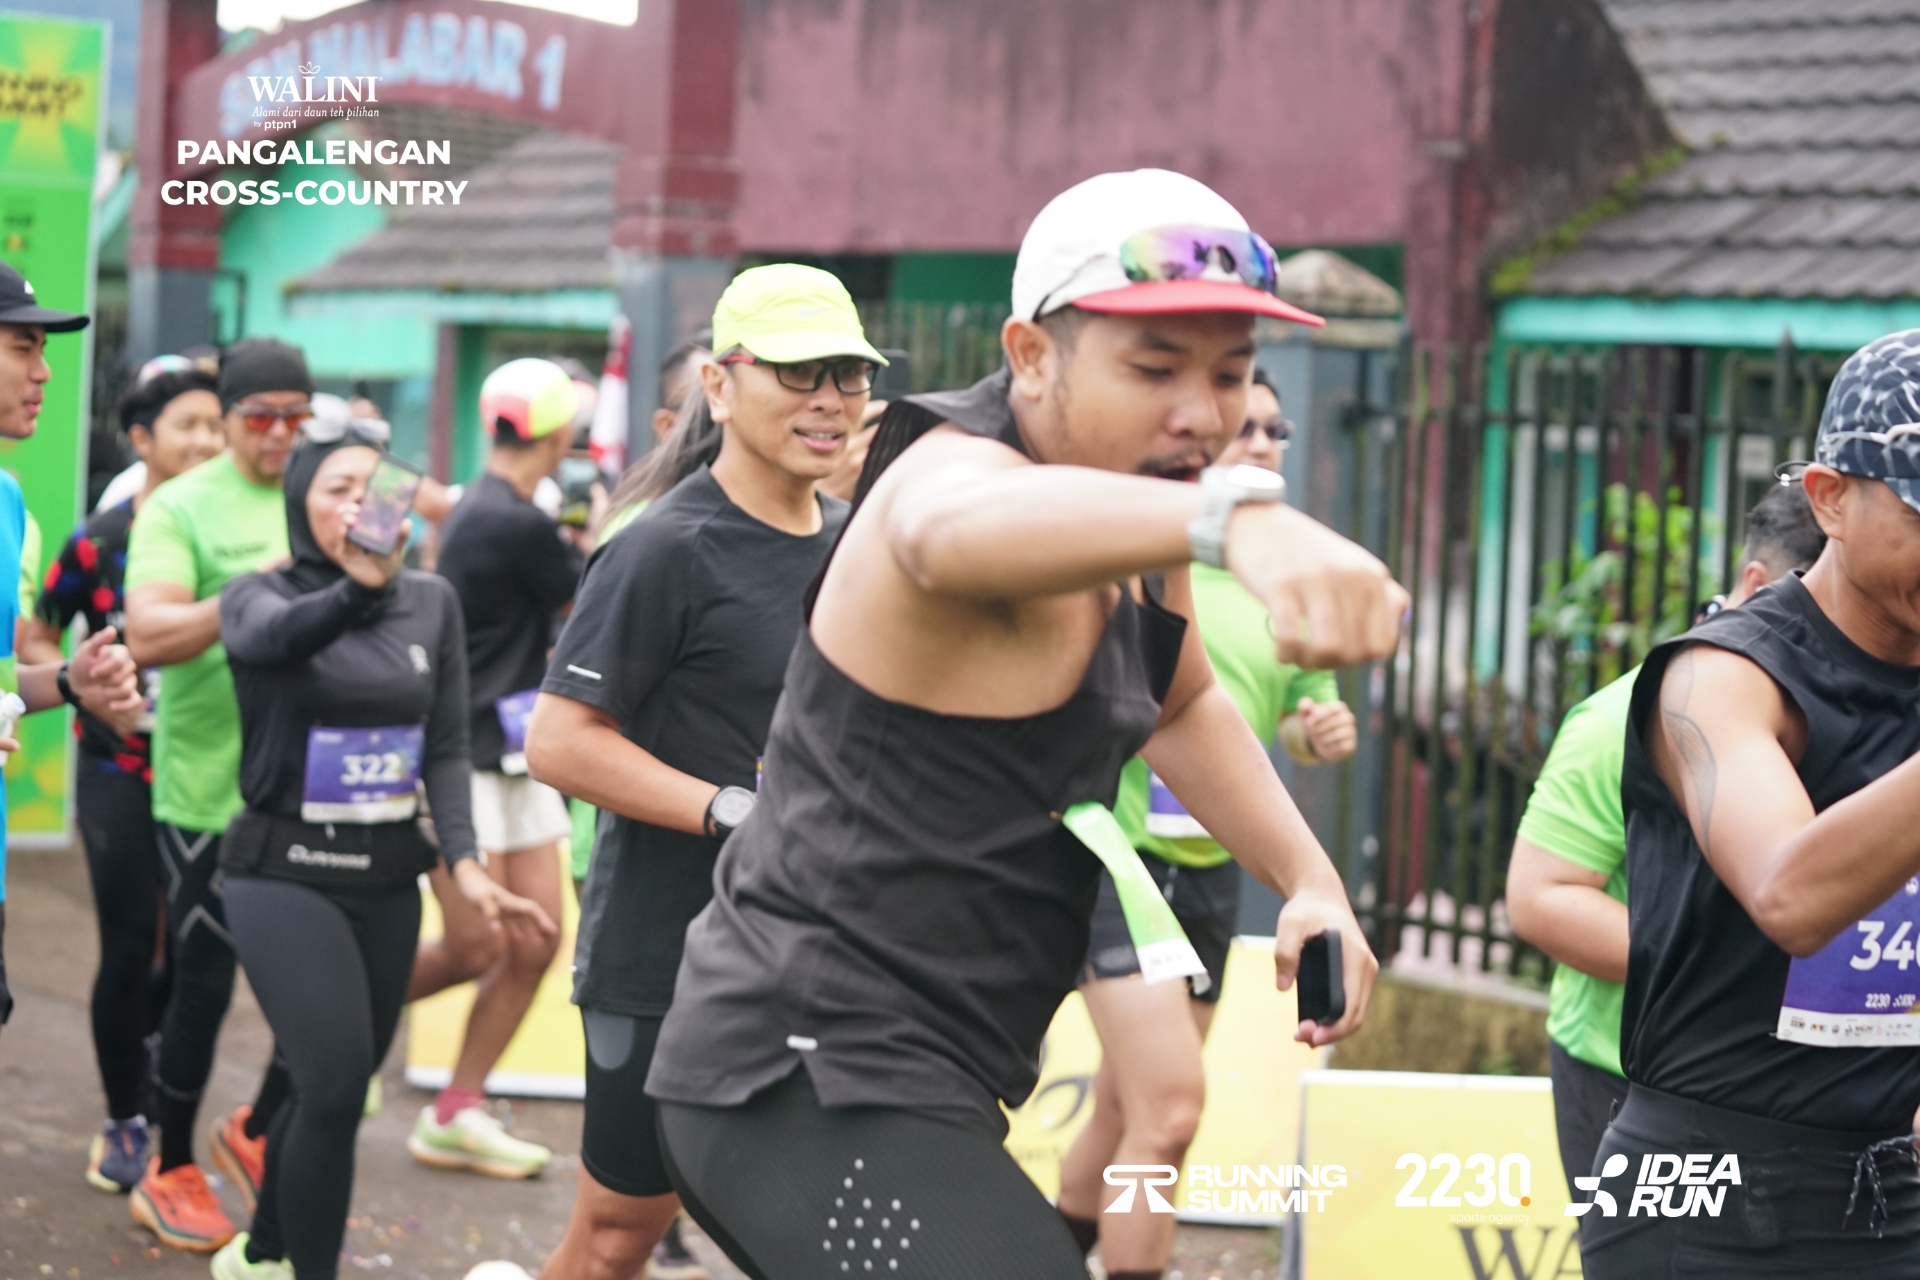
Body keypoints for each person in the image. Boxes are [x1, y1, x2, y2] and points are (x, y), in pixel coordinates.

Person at [638, 170, 1403, 1279]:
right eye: (1154, 368)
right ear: (1032, 355)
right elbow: (946, 528)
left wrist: (1310, 878)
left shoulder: (1140, 510)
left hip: (935, 1072)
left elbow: (1180, 698)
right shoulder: (951, 472)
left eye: (1230, 372)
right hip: (796, 1073)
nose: (1202, 412)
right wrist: (1233, 520)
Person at [506, 264, 877, 1280]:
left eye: (847, 374)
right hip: (668, 954)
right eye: (798, 372)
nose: (829, 399)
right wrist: (734, 811)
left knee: (820, 1235)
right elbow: (560, 741)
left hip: (829, 953)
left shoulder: (862, 544)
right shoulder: (663, 546)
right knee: (617, 1237)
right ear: (719, 385)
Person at [1578, 330, 1920, 1278]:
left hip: (1888, 1187)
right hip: (1703, 1193)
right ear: (1830, 497)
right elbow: (1790, 896)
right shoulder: (1722, 677)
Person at [210, 430, 553, 1280]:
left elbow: (445, 745)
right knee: (334, 1087)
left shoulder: (432, 601)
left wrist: (465, 864)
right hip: (281, 870)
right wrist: (358, 589)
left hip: (390, 875)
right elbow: (277, 639)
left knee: (324, 1086)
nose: (359, 504)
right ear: (300, 504)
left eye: (374, 486)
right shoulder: (256, 595)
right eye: (337, 488)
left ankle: (264, 1250)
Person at [1053, 365, 1358, 1273]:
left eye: (1275, 431)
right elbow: (1160, 710)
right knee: (1170, 1111)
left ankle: (1052, 1252)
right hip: (1117, 859)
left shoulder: (1282, 581)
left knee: (1128, 1104)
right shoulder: (1126, 564)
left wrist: (1315, 732)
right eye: (1245, 428)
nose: (1261, 444)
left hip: (1210, 866)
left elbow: (1283, 723)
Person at [1507, 481, 1826, 1204]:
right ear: (1759, 585)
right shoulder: (1622, 716)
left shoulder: (1859, 716)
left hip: (1798, 1090)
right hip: (1625, 1078)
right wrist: (1731, 967)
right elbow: (1540, 898)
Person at [124, 338, 311, 1252]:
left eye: (295, 417)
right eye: (260, 417)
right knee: (203, 982)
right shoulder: (181, 504)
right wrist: (251, 595)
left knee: (316, 983)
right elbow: (148, 633)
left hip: (311, 787)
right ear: (229, 417)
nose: (279, 434)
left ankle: (258, 1128)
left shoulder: (327, 489)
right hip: (208, 786)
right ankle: (168, 1166)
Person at [21, 356, 225, 1192]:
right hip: (120, 766)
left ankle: (159, 1078)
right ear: (142, 439)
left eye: (217, 425)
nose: (207, 441)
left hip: (211, 771)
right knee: (129, 941)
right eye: (189, 426)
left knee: (195, 948)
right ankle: (125, 1118)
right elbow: (40, 631)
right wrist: (85, 686)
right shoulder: (99, 540)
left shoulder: (236, 537)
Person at [404, 359, 587, 1179]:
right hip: (464, 757)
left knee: (535, 939)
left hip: (511, 755)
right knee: (479, 944)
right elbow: (591, 598)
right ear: (560, 433)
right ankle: (332, 1028)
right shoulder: (513, 521)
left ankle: (457, 1107)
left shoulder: (486, 506)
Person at [0, 262, 145, 1034]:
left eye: (44, 350)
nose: (44, 372)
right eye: (22, 347)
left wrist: (67, 679)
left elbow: (1, 682)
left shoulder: (7, 499)